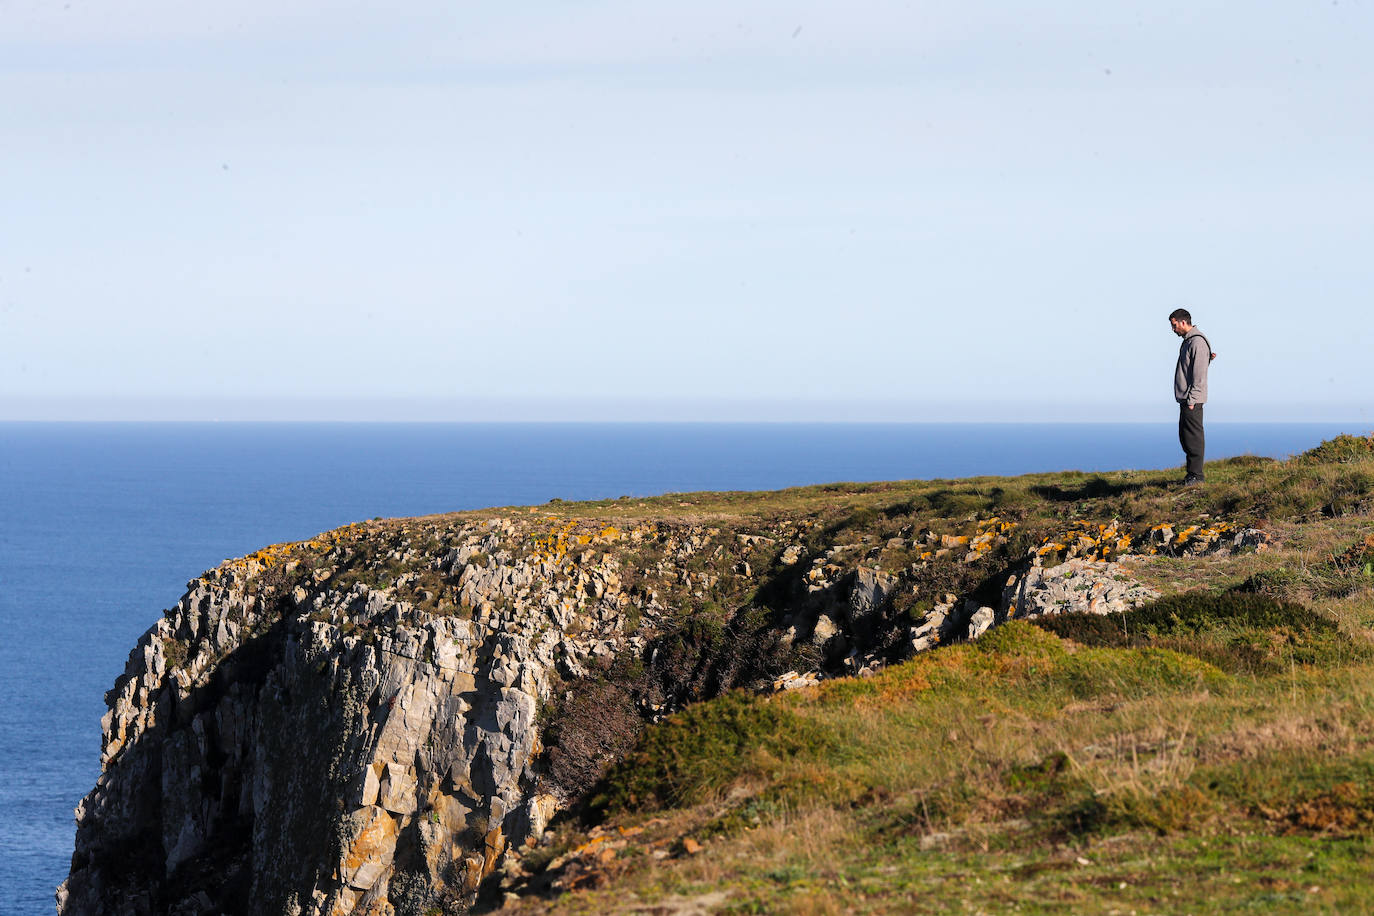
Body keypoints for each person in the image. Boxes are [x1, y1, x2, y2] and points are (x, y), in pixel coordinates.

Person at [1169, 308, 1215, 485]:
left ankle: (1196, 476)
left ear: (1182, 322)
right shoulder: (1189, 342)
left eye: (1174, 326)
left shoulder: (1197, 342)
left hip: (1192, 400)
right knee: (1186, 437)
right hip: (1187, 399)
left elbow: (1199, 375)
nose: (1173, 330)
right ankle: (1192, 475)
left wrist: (1192, 399)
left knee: (1193, 437)